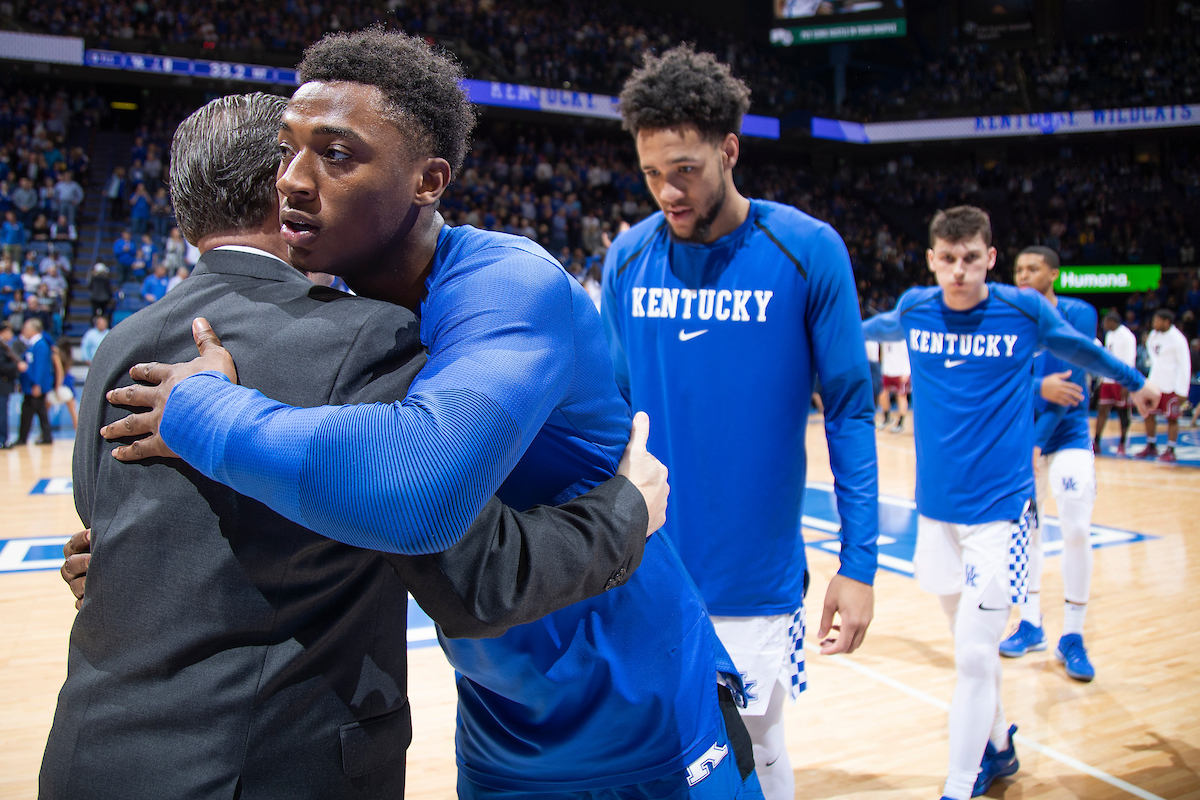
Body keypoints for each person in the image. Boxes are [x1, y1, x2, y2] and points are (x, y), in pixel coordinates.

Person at [100, 31, 763, 799]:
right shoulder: (342, 321)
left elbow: (419, 489)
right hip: (500, 722)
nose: (293, 180)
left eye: (337, 154)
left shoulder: (509, 283)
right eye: (287, 150)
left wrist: (202, 410)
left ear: (429, 180)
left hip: (646, 713)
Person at [603, 44, 877, 800]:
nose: (665, 190)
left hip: (753, 581)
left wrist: (859, 566)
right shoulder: (628, 259)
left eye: (684, 168)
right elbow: (611, 414)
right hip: (647, 565)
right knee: (660, 759)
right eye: (652, 172)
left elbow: (852, 412)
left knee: (751, 757)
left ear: (729, 150)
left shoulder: (808, 250)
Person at [861, 206, 1158, 800]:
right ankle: (998, 746)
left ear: (991, 258)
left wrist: (1135, 382)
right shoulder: (917, 308)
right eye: (948, 259)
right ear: (931, 261)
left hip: (1001, 514)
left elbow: (1082, 350)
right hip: (935, 512)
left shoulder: (1022, 309)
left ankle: (957, 783)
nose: (960, 270)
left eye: (972, 257)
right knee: (963, 643)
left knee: (974, 654)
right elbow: (859, 331)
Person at [1002, 245, 1100, 682]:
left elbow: (1070, 388)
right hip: (1022, 439)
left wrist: (1037, 445)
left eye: (1033, 268)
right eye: (1018, 268)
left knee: (1076, 527)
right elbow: (1002, 382)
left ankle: (1073, 636)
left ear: (1053, 274)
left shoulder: (1079, 314)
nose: (1023, 274)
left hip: (1066, 436)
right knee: (1029, 533)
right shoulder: (1006, 316)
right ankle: (1031, 622)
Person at [1136, 309, 1192, 462]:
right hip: (1155, 383)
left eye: (1157, 320)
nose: (1154, 323)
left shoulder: (1178, 339)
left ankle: (1171, 449)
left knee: (1172, 418)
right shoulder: (1154, 336)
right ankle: (1151, 445)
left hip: (1171, 385)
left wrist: (1182, 390)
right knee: (1148, 413)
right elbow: (1153, 354)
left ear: (1166, 322)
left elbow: (1185, 365)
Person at [1093, 311, 1136, 455]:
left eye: (1105, 322)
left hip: (1121, 380)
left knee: (1123, 412)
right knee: (1102, 410)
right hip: (1108, 379)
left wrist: (1126, 383)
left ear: (1112, 321)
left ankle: (1123, 444)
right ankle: (1096, 442)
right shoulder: (1110, 335)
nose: (1103, 325)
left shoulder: (1127, 336)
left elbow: (1130, 361)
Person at [15, 317, 54, 445]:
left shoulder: (40, 345)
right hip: (31, 384)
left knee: (30, 410)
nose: (24, 330)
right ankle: (45, 437)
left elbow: (40, 366)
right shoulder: (33, 344)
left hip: (35, 386)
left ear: (33, 329)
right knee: (39, 411)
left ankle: (23, 438)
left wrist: (37, 384)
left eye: (26, 327)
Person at [879, 338, 911, 433]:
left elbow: (908, 354)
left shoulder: (902, 338)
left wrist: (907, 372)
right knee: (882, 394)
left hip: (901, 371)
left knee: (901, 396)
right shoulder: (884, 337)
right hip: (887, 371)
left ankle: (900, 423)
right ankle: (887, 417)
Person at [0, 320, 20, 447]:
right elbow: (1, 365)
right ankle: (2, 440)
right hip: (2, 385)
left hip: (5, 384)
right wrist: (16, 366)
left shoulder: (5, 345)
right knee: (2, 413)